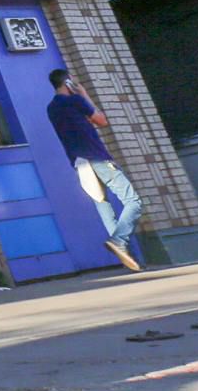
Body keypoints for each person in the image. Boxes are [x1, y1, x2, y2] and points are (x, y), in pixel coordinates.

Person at [47, 69, 146, 272]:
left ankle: (126, 256)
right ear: (67, 82)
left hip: (79, 163)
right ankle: (119, 241)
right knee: (133, 201)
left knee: (103, 205)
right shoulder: (76, 101)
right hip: (96, 157)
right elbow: (101, 120)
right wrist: (84, 94)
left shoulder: (52, 108)